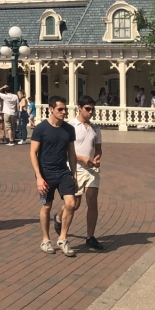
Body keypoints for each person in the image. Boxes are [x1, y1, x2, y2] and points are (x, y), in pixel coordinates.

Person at [30, 95, 78, 257]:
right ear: (51, 109)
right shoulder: (41, 129)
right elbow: (33, 153)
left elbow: (71, 153)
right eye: (60, 109)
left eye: (65, 109)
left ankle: (63, 238)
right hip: (46, 173)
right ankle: (45, 239)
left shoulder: (69, 129)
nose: (64, 112)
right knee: (47, 206)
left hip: (63, 171)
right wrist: (38, 177)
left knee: (71, 203)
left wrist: (74, 175)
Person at [61, 95, 104, 250]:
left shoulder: (95, 129)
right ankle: (60, 218)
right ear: (79, 107)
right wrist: (82, 159)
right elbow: (65, 150)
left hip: (92, 170)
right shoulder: (70, 126)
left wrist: (97, 158)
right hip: (75, 169)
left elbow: (98, 149)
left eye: (92, 109)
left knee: (92, 201)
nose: (90, 112)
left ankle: (90, 236)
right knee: (74, 204)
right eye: (87, 109)